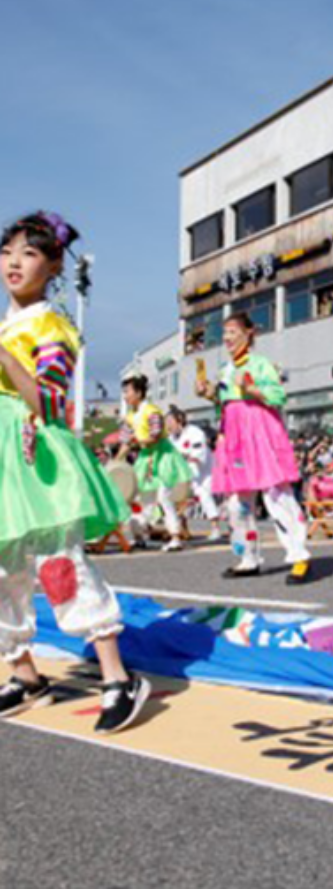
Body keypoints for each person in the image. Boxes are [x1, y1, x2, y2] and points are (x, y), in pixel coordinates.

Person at [0, 211, 149, 732]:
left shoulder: (52, 326)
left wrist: (4, 357)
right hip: (3, 458)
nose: (14, 262)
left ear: (54, 265)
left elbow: (48, 401)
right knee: (2, 572)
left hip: (36, 452)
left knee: (59, 564)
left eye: (29, 253)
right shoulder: (7, 325)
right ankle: (25, 675)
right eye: (7, 252)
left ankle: (117, 677)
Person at [196, 313, 312, 585]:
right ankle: (248, 558)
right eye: (225, 333)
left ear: (249, 333)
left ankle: (299, 555)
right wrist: (208, 392)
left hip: (259, 431)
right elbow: (225, 401)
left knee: (276, 494)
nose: (227, 338)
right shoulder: (225, 369)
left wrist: (251, 388)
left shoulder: (261, 364)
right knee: (237, 502)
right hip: (233, 435)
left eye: (233, 332)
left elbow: (278, 396)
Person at [120, 374, 191, 553]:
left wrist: (136, 441)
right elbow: (125, 442)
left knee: (164, 497)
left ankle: (175, 536)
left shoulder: (152, 411)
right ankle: (139, 536)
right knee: (144, 499)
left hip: (163, 456)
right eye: (124, 392)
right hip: (146, 459)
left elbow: (156, 436)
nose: (125, 396)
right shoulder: (130, 416)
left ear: (139, 393)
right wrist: (115, 462)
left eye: (127, 392)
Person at [165, 406, 224, 542]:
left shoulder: (195, 432)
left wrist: (181, 457)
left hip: (203, 471)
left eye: (170, 421)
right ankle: (183, 530)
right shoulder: (171, 438)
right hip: (184, 472)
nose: (168, 425)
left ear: (179, 420)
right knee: (176, 497)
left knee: (204, 495)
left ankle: (215, 528)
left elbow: (198, 456)